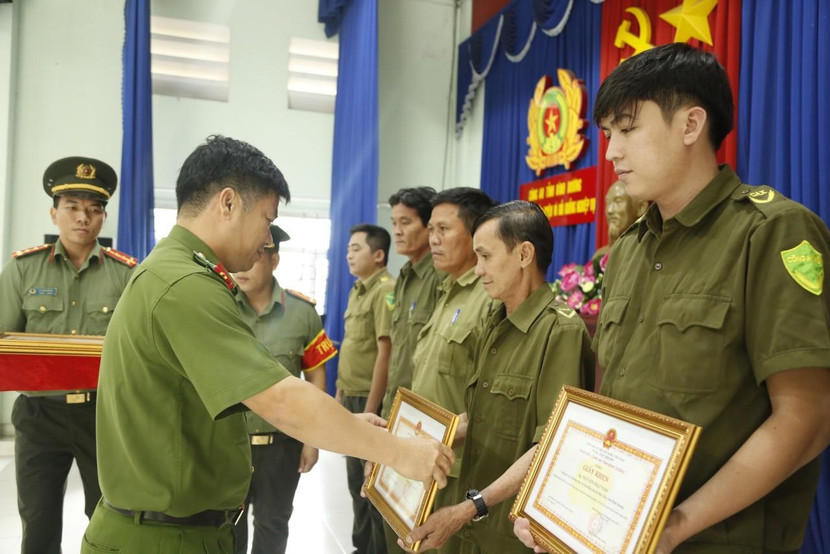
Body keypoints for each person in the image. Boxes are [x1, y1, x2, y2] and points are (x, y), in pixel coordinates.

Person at [515, 43, 830, 553]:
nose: (611, 153)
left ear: (690, 125)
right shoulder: (628, 250)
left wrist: (675, 526)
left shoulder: (770, 232)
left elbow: (807, 419)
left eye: (627, 129)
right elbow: (606, 404)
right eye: (608, 134)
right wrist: (557, 506)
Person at [81, 135, 453, 553]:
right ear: (227, 203)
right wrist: (398, 452)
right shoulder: (184, 285)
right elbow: (281, 399)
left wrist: (348, 426)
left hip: (176, 530)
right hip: (162, 540)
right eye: (265, 219)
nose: (267, 240)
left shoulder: (176, 272)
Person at [401, 201, 594, 553]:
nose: (478, 270)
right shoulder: (495, 322)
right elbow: (480, 417)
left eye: (486, 257)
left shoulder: (560, 332)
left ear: (524, 254)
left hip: (511, 531)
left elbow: (550, 446)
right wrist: (405, 445)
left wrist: (470, 508)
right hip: (472, 519)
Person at [0, 156, 136, 554]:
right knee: (38, 520)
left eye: (93, 210)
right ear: (54, 213)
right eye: (72, 207)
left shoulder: (126, 275)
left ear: (103, 217)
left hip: (102, 415)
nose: (82, 218)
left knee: (109, 517)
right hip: (39, 415)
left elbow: (136, 349)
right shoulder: (23, 270)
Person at [231, 225, 336, 554]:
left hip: (281, 445)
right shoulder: (220, 308)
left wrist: (312, 440)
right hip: (228, 444)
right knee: (226, 527)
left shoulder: (302, 313)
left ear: (274, 260)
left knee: (273, 526)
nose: (243, 267)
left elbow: (316, 379)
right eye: (239, 255)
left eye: (255, 256)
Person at [410, 187, 496, 554]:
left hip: (458, 471)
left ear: (476, 233)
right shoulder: (447, 291)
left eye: (444, 229)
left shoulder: (489, 297)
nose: (433, 239)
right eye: (431, 229)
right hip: (423, 461)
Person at [382, 187, 444, 553]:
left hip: (422, 425)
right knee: (390, 519)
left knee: (415, 534)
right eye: (394, 223)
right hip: (396, 414)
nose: (398, 231)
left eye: (406, 222)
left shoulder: (439, 277)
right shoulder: (404, 276)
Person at [337, 223, 396, 554]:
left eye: (356, 248)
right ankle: (361, 547)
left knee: (372, 488)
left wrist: (371, 409)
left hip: (369, 401)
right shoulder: (358, 289)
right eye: (348, 249)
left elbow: (384, 354)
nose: (349, 254)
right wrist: (339, 395)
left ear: (378, 255)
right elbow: (353, 348)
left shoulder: (385, 291)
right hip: (350, 396)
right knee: (354, 481)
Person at [594, 180, 649, 261]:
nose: (609, 210)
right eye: (608, 203)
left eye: (618, 201)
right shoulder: (600, 256)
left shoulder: (646, 251)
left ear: (641, 207)